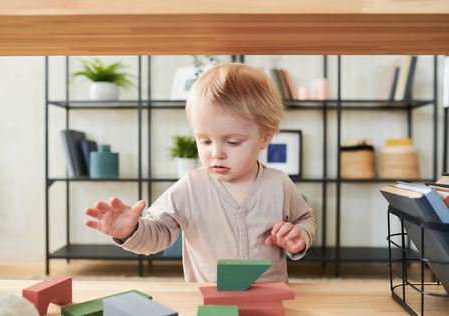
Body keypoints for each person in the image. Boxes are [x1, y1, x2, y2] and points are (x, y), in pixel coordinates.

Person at [84, 63, 316, 283]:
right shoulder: (190, 187)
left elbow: (304, 219)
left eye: (233, 142)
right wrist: (130, 231)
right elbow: (158, 232)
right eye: (205, 141)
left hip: (270, 295)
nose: (216, 153)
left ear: (265, 136)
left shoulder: (279, 183)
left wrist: (299, 236)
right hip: (209, 297)